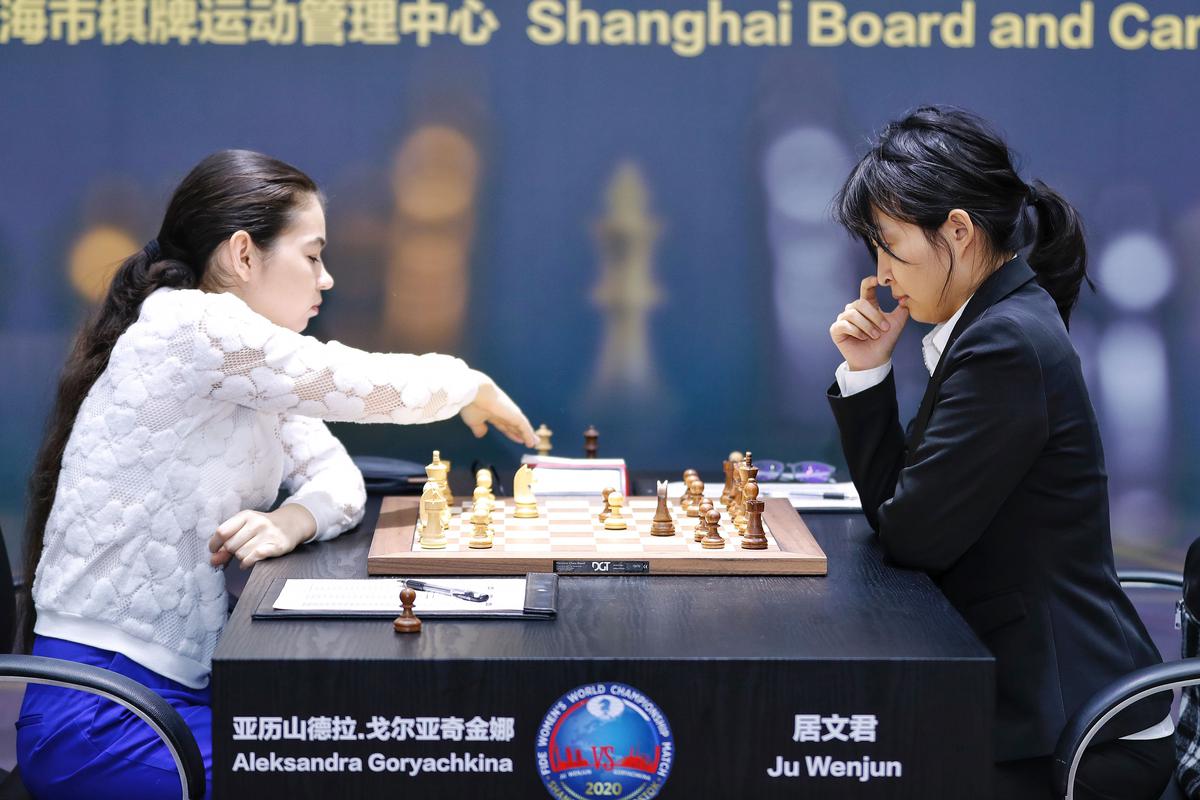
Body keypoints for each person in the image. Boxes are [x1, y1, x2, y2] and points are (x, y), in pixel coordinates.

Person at [17, 149, 537, 798]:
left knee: (365, 759)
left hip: (173, 700)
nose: (327, 280)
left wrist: (292, 519)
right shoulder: (194, 323)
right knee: (354, 771)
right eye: (312, 256)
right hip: (104, 719)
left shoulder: (241, 370)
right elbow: (347, 381)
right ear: (242, 254)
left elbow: (338, 480)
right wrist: (466, 384)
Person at [825, 107, 1173, 799]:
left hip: (1069, 729)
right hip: (1030, 693)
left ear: (957, 229)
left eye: (890, 246)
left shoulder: (1003, 343)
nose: (883, 274)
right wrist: (866, 370)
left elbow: (913, 533)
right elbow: (908, 509)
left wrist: (873, 390)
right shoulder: (994, 323)